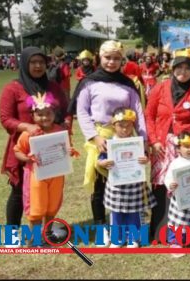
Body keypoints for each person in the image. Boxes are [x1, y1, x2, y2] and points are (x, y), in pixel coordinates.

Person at [70, 40, 147, 246]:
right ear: (99, 58)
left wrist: (142, 140)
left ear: (122, 60)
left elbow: (138, 112)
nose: (112, 62)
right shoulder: (89, 82)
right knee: (99, 185)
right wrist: (94, 137)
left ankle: (129, 230)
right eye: (107, 58)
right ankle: (102, 228)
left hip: (125, 138)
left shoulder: (128, 84)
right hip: (100, 136)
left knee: (124, 183)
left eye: (116, 58)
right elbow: (82, 111)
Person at [0, 47, 71, 247]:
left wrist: (64, 125)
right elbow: (5, 119)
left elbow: (66, 111)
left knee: (48, 192)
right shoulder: (13, 88)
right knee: (18, 191)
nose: (38, 66)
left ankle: (46, 233)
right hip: (23, 147)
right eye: (33, 62)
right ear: (24, 64)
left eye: (41, 62)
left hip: (50, 148)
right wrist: (27, 127)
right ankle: (12, 234)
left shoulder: (54, 87)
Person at [145, 48, 190, 241]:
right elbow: (149, 115)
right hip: (162, 147)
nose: (183, 72)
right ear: (173, 68)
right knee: (163, 185)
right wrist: (154, 140)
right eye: (179, 67)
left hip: (188, 147)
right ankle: (161, 231)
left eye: (187, 68)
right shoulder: (160, 87)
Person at [13, 92, 78, 245]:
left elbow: (66, 148)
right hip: (37, 176)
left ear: (54, 114)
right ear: (33, 116)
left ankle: (48, 234)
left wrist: (69, 151)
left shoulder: (60, 131)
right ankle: (34, 238)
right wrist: (27, 158)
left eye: (48, 113)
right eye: (40, 114)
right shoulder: (29, 134)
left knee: (52, 205)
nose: (45, 117)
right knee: (37, 207)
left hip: (56, 174)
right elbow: (17, 151)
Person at [97, 108, 155, 248]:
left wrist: (145, 160)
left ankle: (133, 238)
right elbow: (99, 160)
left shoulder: (137, 142)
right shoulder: (109, 143)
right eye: (121, 125)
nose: (124, 129)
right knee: (116, 212)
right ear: (113, 126)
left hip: (133, 184)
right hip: (116, 185)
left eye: (128, 125)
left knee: (133, 212)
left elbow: (146, 157)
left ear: (132, 126)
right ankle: (117, 238)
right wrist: (104, 163)